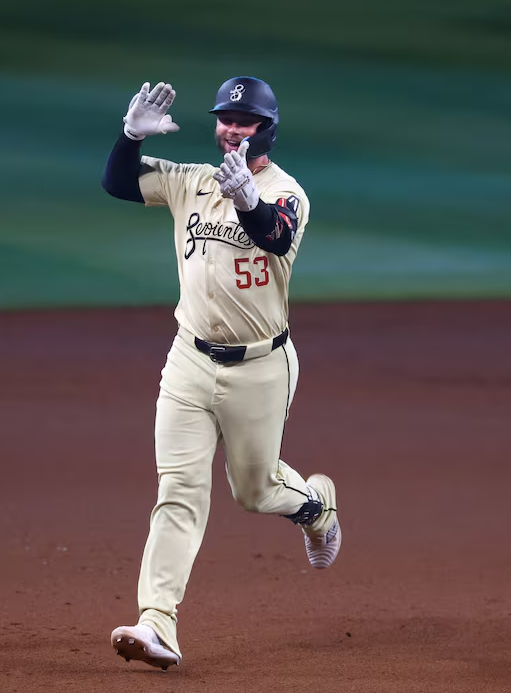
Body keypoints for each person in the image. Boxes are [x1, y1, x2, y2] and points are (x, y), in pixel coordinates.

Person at [101, 77, 341, 671]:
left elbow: (275, 234)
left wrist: (249, 202)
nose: (232, 130)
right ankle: (157, 623)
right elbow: (118, 183)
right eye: (226, 120)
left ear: (268, 129)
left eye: (246, 122)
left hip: (260, 368)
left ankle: (314, 507)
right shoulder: (191, 181)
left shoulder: (288, 194)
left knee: (253, 492)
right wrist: (129, 138)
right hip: (187, 360)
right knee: (178, 493)